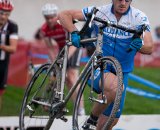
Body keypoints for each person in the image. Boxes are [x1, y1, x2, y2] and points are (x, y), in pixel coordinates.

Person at [58, 0, 154, 129]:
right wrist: (73, 31)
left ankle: (95, 122)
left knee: (108, 124)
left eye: (127, 0)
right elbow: (64, 15)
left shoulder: (139, 17)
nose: (123, 3)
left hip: (122, 71)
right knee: (115, 87)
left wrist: (140, 45)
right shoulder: (100, 11)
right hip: (100, 66)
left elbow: (149, 47)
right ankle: (91, 120)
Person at [40, 3, 85, 115]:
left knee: (72, 76)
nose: (50, 20)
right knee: (56, 76)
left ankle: (81, 110)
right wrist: (55, 61)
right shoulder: (44, 29)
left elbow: (74, 44)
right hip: (63, 48)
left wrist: (65, 58)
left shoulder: (63, 24)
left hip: (74, 45)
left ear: (56, 16)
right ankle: (49, 99)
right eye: (47, 18)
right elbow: (50, 48)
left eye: (52, 17)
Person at [0, 0, 18, 110]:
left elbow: (13, 48)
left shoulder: (12, 26)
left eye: (6, 14)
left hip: (2, 63)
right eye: (1, 13)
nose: (3, 16)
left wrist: (1, 46)